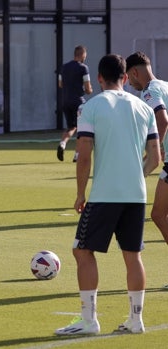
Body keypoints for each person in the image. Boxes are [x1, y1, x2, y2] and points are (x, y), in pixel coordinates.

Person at [55, 54, 160, 336]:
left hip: (105, 194)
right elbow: (155, 157)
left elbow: (85, 153)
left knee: (82, 250)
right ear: (125, 78)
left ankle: (89, 321)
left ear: (100, 78)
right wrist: (136, 174)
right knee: (132, 255)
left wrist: (80, 193)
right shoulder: (143, 107)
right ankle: (136, 320)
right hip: (135, 194)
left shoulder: (91, 107)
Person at [125, 52, 168, 277]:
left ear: (134, 72)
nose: (130, 84)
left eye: (129, 79)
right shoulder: (165, 85)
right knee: (159, 214)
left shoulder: (150, 90)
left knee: (159, 215)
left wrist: (157, 146)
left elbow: (162, 120)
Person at [57, 45, 93, 162]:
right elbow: (88, 88)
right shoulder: (83, 68)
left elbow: (60, 84)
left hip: (65, 101)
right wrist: (88, 90)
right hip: (78, 102)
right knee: (81, 129)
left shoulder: (64, 67)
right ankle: (77, 155)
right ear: (82, 54)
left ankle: (63, 143)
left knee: (71, 126)